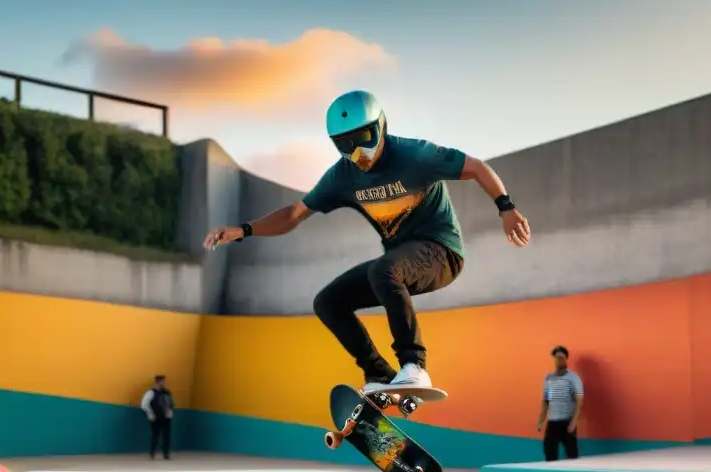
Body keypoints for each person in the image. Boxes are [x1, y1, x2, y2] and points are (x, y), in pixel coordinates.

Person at [203, 90, 531, 393]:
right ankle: (380, 375)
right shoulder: (342, 177)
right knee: (328, 301)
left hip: (442, 253)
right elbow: (294, 213)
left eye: (363, 139)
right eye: (346, 145)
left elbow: (475, 167)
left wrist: (506, 207)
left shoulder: (415, 155)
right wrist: (244, 230)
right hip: (399, 264)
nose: (358, 153)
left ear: (381, 126)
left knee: (384, 271)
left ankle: (414, 365)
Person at [536, 346, 584, 461]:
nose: (558, 360)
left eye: (561, 358)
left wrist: (573, 422)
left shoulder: (573, 378)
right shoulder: (549, 378)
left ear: (566, 359)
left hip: (567, 422)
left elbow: (579, 400)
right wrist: (541, 420)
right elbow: (546, 400)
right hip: (552, 422)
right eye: (556, 358)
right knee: (549, 452)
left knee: (572, 454)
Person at [140, 374, 174, 460]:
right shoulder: (150, 393)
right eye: (161, 381)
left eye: (163, 381)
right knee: (155, 435)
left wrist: (169, 414)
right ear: (156, 382)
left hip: (166, 418)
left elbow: (170, 404)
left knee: (166, 436)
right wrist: (151, 415)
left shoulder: (167, 392)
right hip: (156, 418)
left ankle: (166, 453)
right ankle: (152, 453)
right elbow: (144, 405)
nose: (162, 383)